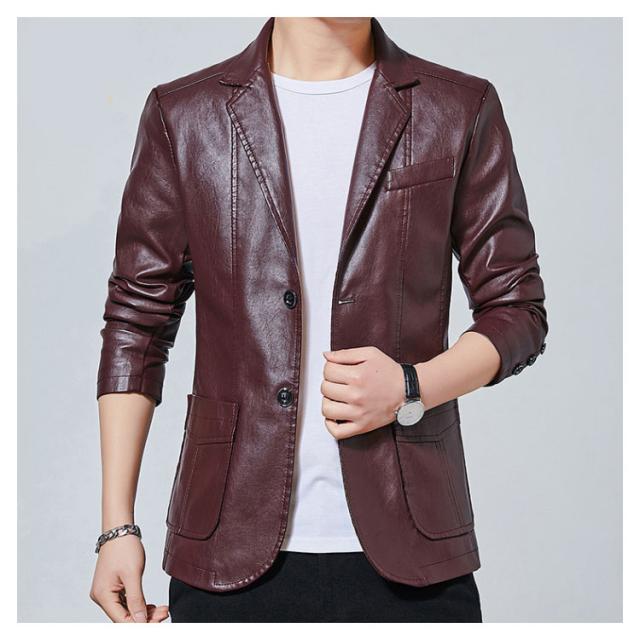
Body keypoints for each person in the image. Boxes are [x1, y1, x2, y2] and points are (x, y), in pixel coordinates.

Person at [89, 16, 548, 623]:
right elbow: (137, 321)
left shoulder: (458, 107)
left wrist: (411, 387)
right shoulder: (185, 115)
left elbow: (516, 308)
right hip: (227, 543)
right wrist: (116, 526)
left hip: (413, 543)